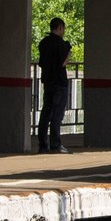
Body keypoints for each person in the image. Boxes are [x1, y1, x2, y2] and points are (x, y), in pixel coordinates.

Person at [36, 17, 72, 154]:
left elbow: (41, 63)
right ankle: (55, 144)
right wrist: (68, 52)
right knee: (57, 114)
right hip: (59, 82)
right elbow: (63, 63)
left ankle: (43, 145)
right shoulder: (61, 44)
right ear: (60, 28)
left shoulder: (43, 43)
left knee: (45, 112)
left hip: (47, 81)